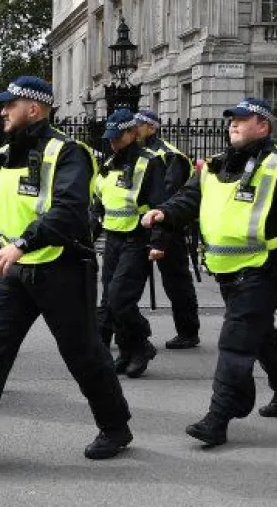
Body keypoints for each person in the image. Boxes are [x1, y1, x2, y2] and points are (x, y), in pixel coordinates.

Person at [0, 76, 133, 468]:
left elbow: (68, 211)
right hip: (12, 273)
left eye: (9, 105)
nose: (2, 112)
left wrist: (22, 244)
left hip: (61, 269)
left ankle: (115, 427)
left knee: (83, 354)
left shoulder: (68, 152)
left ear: (33, 109)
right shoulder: (1, 155)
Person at [142, 97, 277, 447]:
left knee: (235, 339)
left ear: (264, 126)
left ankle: (219, 416)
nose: (233, 124)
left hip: (267, 267)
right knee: (259, 335)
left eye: (243, 119)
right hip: (228, 268)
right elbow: (188, 199)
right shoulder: (214, 166)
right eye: (231, 119)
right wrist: (164, 213)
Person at [92, 108, 168, 378]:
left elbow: (160, 205)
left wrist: (157, 243)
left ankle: (141, 344)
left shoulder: (150, 163)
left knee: (119, 298)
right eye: (110, 137)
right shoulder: (109, 164)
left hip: (138, 238)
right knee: (109, 299)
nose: (113, 142)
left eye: (118, 136)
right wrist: (87, 239)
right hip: (113, 237)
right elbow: (98, 204)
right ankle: (126, 351)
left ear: (133, 133)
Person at [134, 109, 201, 349]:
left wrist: (159, 238)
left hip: (167, 228)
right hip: (139, 226)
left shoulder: (169, 156)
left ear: (151, 127)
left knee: (176, 282)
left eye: (138, 125)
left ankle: (188, 332)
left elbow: (170, 198)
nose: (134, 129)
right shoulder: (137, 153)